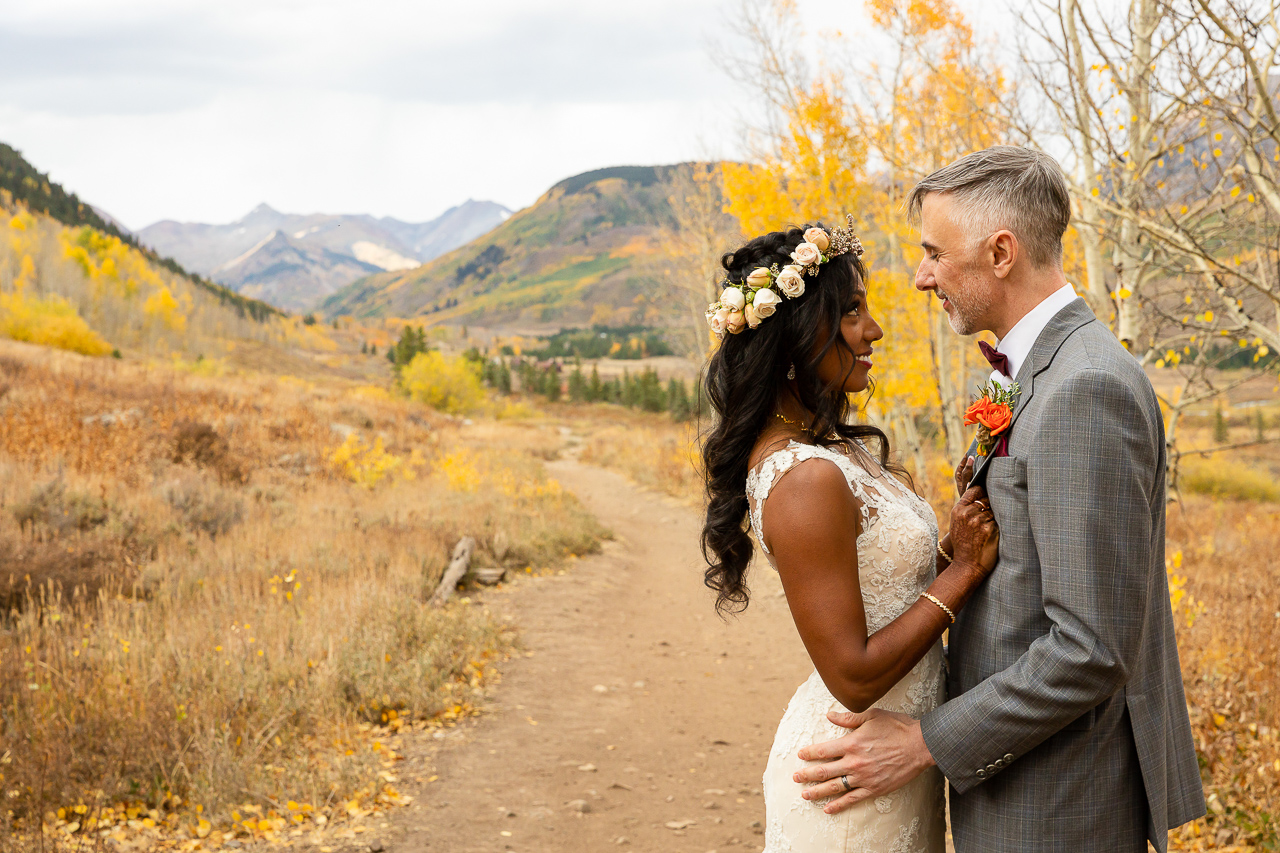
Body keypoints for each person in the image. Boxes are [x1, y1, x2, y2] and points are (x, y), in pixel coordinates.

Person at [790, 147, 1206, 852]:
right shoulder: (1035, 370)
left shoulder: (1085, 388)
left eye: (932, 253)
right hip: (1022, 785)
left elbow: (1091, 646)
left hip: (1061, 802)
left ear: (1001, 252)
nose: (921, 277)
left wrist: (925, 741)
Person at [699, 217, 1001, 852]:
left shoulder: (833, 448)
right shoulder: (802, 477)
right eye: (852, 313)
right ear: (797, 335)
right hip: (847, 781)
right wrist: (963, 573)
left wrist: (949, 548)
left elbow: (884, 581)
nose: (875, 329)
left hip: (891, 761)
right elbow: (852, 675)